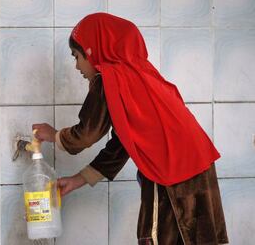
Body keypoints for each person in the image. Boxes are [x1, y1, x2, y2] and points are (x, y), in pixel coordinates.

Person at [32, 13, 228, 245]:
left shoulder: (110, 77)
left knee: (157, 238)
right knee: (198, 238)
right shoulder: (141, 74)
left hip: (170, 170)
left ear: (93, 51)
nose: (76, 66)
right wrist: (79, 179)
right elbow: (124, 141)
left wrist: (53, 135)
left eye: (76, 56)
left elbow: (86, 135)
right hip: (199, 167)